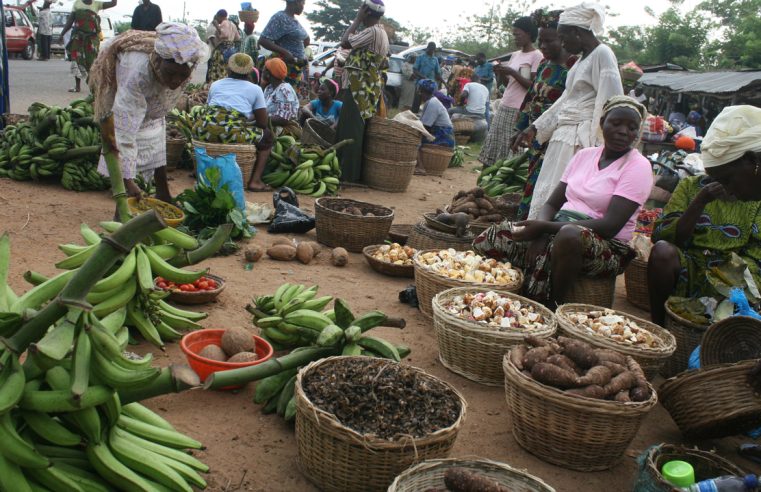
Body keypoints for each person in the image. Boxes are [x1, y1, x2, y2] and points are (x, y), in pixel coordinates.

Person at [473, 96, 652, 306]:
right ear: (603, 123)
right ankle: (494, 293)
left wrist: (546, 228)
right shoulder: (584, 155)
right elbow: (551, 204)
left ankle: (552, 307)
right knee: (496, 236)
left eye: (632, 127)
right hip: (559, 227)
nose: (624, 131)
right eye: (616, 123)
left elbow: (610, 226)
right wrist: (540, 232)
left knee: (568, 236)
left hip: (606, 246)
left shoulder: (637, 166)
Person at [647, 106, 761, 326]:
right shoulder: (693, 188)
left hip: (744, 278)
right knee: (663, 251)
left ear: (751, 162)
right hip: (696, 268)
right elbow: (663, 235)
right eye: (716, 180)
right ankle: (660, 329)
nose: (727, 190)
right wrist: (700, 201)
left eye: (727, 179)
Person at [514, 2, 623, 219]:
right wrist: (535, 128)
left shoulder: (603, 54)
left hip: (579, 141)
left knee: (567, 202)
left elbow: (612, 105)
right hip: (563, 138)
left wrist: (600, 148)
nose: (562, 43)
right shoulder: (583, 59)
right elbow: (566, 100)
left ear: (577, 32)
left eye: (563, 37)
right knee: (548, 195)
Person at [89, 23, 207, 203]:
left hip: (146, 84)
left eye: (181, 76)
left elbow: (157, 110)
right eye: (170, 74)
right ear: (158, 61)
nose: (176, 81)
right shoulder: (137, 70)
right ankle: (121, 201)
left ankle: (162, 193)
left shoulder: (185, 63)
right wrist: (128, 182)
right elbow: (123, 131)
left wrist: (173, 77)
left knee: (157, 129)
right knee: (128, 131)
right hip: (118, 78)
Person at [514, 9, 578, 220]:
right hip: (535, 136)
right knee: (532, 180)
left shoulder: (574, 67)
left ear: (563, 39)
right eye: (540, 41)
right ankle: (526, 223)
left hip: (556, 139)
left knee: (547, 185)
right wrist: (520, 128)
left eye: (549, 41)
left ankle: (537, 225)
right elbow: (531, 96)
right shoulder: (543, 64)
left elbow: (569, 104)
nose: (543, 47)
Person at [334, 0, 389, 183]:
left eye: (362, 11)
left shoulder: (372, 31)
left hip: (360, 89)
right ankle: (347, 172)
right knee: (353, 130)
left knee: (351, 133)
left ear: (366, 12)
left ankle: (347, 175)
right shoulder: (381, 32)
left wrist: (357, 20)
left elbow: (344, 42)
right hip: (366, 88)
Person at [479, 16, 543, 167]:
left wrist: (512, 72)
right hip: (505, 104)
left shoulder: (537, 56)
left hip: (518, 109)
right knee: (496, 142)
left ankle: (505, 179)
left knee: (511, 146)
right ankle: (489, 176)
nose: (515, 38)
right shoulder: (515, 55)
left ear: (528, 34)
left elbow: (532, 86)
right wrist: (501, 73)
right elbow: (510, 84)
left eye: (518, 34)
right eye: (514, 35)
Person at [206, 53, 274, 192]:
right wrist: (246, 119)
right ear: (249, 71)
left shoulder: (216, 84)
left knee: (216, 128)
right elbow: (262, 123)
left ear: (228, 69)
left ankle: (199, 170)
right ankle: (255, 181)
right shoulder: (255, 89)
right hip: (232, 133)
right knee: (267, 136)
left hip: (205, 129)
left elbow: (210, 110)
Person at [59, 0, 118, 93]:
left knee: (92, 62)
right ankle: (77, 86)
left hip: (92, 39)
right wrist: (62, 34)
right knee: (77, 61)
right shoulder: (77, 3)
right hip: (78, 37)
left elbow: (113, 3)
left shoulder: (97, 4)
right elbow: (70, 20)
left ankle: (93, 86)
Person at [259, 0, 309, 87]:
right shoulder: (280, 17)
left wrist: (301, 55)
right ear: (296, 2)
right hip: (283, 67)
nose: (303, 6)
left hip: (294, 68)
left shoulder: (293, 20)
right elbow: (263, 40)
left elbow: (305, 39)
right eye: (303, 3)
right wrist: (285, 52)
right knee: (279, 96)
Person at [415, 79, 454, 175]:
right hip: (440, 132)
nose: (418, 93)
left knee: (414, 140)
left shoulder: (432, 103)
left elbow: (424, 127)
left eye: (419, 91)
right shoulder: (431, 101)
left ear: (422, 91)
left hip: (443, 136)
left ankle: (420, 167)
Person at [262, 58, 300, 134]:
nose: (262, 71)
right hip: (270, 124)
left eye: (264, 69)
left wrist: (261, 119)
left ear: (268, 74)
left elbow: (283, 119)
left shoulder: (284, 90)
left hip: (283, 129)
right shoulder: (269, 88)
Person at [206, 10, 240, 84]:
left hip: (222, 50)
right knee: (226, 71)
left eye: (217, 18)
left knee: (217, 72)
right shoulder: (233, 25)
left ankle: (216, 86)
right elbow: (237, 38)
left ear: (219, 16)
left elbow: (224, 35)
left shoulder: (224, 23)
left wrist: (217, 27)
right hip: (231, 49)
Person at [411, 42, 443, 112]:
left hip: (431, 85)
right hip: (420, 84)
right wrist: (423, 77)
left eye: (433, 50)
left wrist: (445, 83)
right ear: (427, 48)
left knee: (429, 105)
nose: (432, 51)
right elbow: (415, 70)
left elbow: (438, 73)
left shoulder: (435, 59)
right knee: (416, 103)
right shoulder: (420, 57)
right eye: (430, 49)